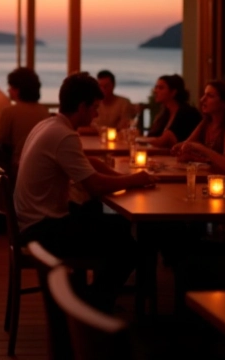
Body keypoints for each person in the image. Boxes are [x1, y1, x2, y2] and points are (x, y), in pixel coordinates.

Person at [15, 73, 154, 311]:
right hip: (43, 229)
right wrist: (137, 179)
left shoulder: (49, 124)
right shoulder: (63, 135)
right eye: (95, 108)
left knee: (114, 221)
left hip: (33, 220)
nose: (97, 114)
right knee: (129, 248)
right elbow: (95, 186)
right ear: (82, 106)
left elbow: (86, 162)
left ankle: (95, 297)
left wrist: (124, 178)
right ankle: (93, 305)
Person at [174, 79, 225, 157]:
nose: (202, 99)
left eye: (210, 96)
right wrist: (179, 147)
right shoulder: (206, 123)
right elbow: (187, 143)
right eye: (204, 95)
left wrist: (198, 153)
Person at [145, 74, 201, 148]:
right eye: (156, 87)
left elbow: (163, 140)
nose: (156, 91)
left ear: (173, 92)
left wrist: (137, 139)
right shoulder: (165, 114)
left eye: (161, 88)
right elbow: (151, 136)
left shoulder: (186, 113)